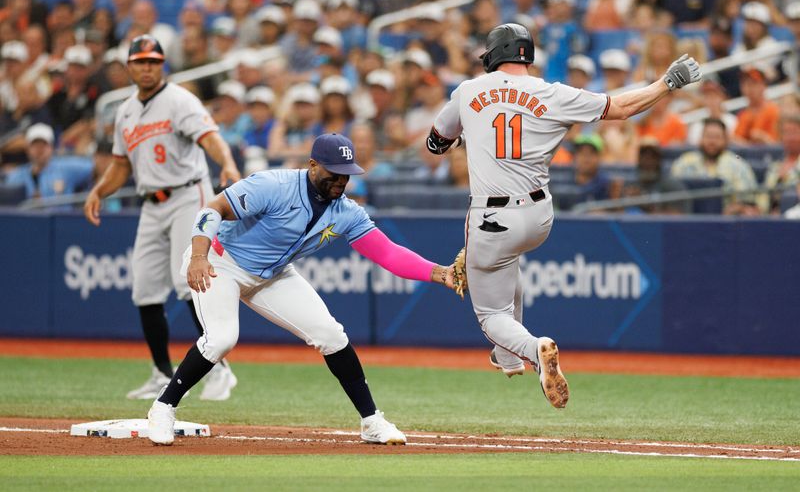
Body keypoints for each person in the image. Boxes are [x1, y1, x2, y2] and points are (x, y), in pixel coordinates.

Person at [427, 23, 701, 408]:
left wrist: (463, 134)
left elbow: (435, 142)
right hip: (539, 215)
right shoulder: (553, 93)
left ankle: (530, 348)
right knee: (508, 264)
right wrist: (666, 83)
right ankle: (506, 356)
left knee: (490, 315)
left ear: (493, 54)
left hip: (491, 215)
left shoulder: (469, 89)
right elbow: (622, 108)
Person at [146, 133, 456, 446]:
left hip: (273, 274)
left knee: (331, 335)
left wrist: (438, 272)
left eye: (346, 173)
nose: (341, 180)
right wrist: (198, 256)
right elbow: (212, 210)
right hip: (220, 260)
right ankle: (163, 408)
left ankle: (371, 421)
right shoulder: (275, 185)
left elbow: (387, 253)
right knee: (222, 339)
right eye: (333, 171)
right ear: (312, 165)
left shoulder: (346, 211)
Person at [83, 35, 242, 402]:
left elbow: (210, 136)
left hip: (188, 193)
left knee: (187, 281)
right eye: (140, 61)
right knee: (144, 289)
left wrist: (228, 162)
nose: (147, 67)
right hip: (151, 203)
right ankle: (160, 372)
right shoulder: (125, 111)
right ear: (129, 67)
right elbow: (122, 165)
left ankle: (220, 368)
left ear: (163, 65)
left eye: (153, 61)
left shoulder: (179, 100)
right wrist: (99, 191)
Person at [671, 118, 759, 214]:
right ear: (701, 138)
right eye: (708, 136)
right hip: (686, 220)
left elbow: (750, 203)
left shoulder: (738, 165)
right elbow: (671, 195)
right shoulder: (684, 162)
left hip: (726, 222)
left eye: (717, 137)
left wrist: (738, 208)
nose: (712, 142)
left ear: (726, 140)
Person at [4, 123, 92, 200]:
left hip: (60, 218)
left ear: (52, 147)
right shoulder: (17, 176)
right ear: (27, 149)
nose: (39, 150)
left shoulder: (67, 168)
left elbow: (97, 167)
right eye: (35, 145)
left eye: (44, 145)